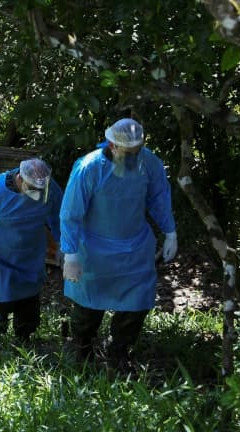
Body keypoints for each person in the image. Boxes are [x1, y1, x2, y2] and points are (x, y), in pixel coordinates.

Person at [60, 118, 177, 368]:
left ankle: (120, 351)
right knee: (88, 303)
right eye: (129, 153)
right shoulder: (89, 168)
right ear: (112, 145)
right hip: (93, 248)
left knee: (138, 301)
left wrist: (170, 232)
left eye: (138, 150)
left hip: (135, 247)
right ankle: (81, 349)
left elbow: (159, 197)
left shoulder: (149, 162)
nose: (135, 157)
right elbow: (71, 212)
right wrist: (70, 254)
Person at [0, 158, 63, 346]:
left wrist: (62, 245)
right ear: (20, 179)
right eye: (32, 188)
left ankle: (24, 339)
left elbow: (58, 216)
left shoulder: (47, 187)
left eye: (41, 189)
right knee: (1, 300)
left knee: (29, 302)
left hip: (30, 255)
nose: (38, 193)